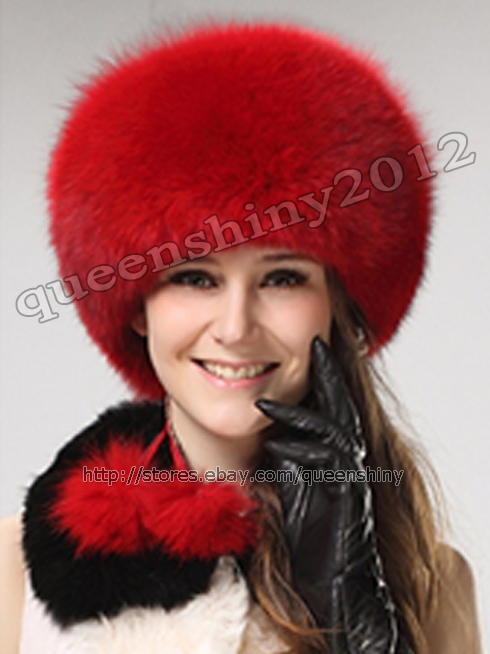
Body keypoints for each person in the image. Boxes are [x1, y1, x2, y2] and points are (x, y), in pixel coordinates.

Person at [0, 20, 483, 654]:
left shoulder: (431, 585)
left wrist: (350, 628)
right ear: (137, 305)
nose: (234, 328)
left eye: (282, 278)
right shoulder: (15, 572)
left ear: (336, 305)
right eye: (194, 277)